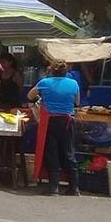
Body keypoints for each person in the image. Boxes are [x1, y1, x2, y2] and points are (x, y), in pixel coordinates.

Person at [28, 59, 81, 196]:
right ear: (65, 70)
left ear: (51, 69)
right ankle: (74, 187)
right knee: (68, 152)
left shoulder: (44, 83)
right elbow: (77, 102)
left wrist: (41, 98)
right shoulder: (73, 83)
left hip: (50, 121)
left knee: (52, 153)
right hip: (67, 120)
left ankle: (53, 187)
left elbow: (30, 96)